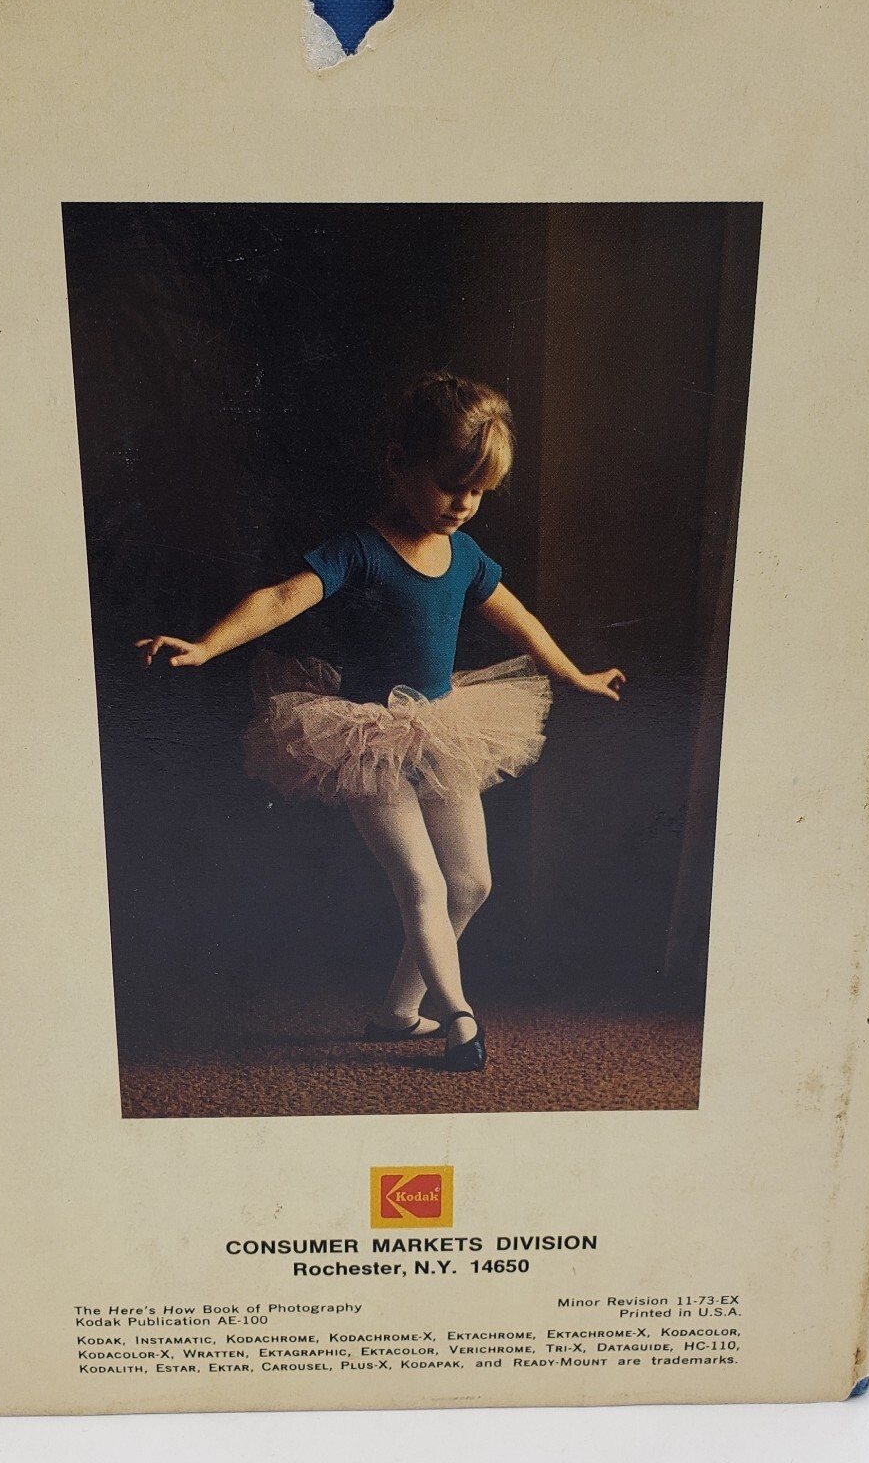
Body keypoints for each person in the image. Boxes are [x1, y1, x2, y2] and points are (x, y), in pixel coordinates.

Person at [136, 372, 624, 1072]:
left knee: (471, 884)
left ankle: (399, 1012)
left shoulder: (466, 557)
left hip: (445, 728)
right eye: (451, 485)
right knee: (422, 884)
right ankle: (459, 1018)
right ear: (399, 464)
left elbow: (517, 617)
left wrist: (574, 674)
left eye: (480, 491)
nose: (465, 504)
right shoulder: (361, 550)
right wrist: (207, 645)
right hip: (366, 738)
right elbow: (280, 598)